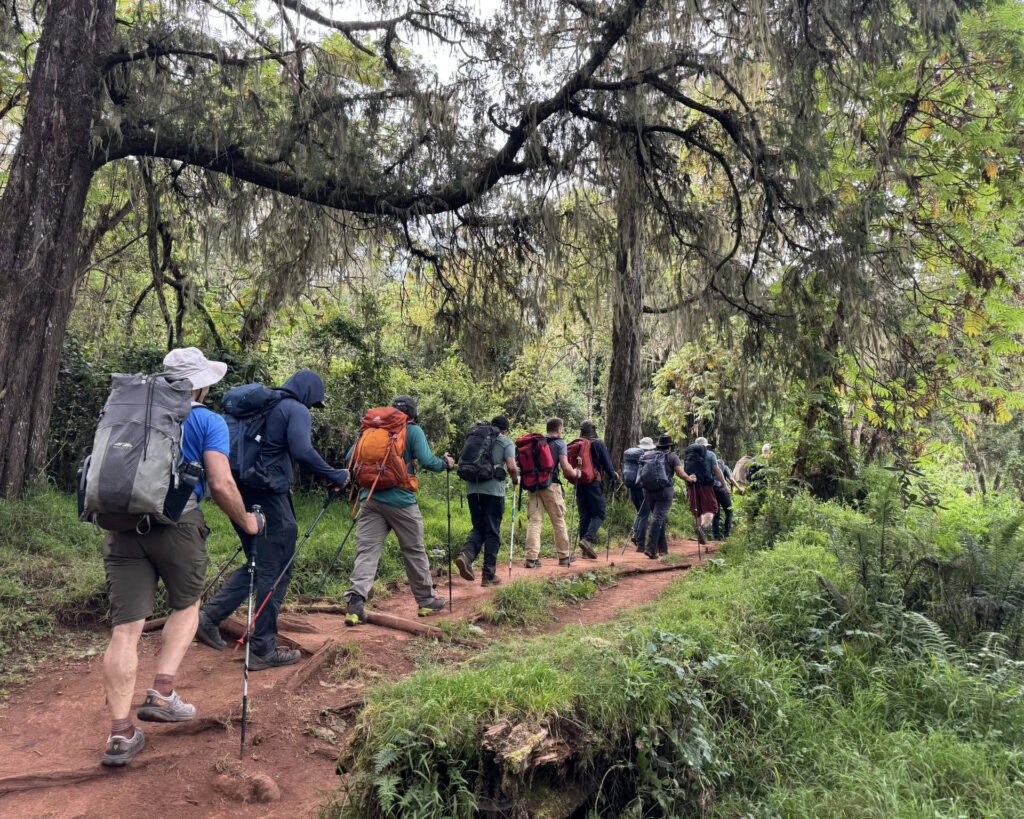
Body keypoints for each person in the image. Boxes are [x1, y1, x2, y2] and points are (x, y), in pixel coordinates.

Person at [100, 347, 265, 767]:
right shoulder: (206, 419)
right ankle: (163, 692)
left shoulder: (131, 413)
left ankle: (119, 734)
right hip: (178, 523)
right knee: (187, 605)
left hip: (122, 526)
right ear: (202, 384)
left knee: (125, 630)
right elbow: (221, 481)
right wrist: (247, 522)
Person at [198, 370, 350, 668]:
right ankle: (262, 648)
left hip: (239, 493)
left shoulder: (260, 408)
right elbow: (302, 450)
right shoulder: (295, 409)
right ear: (307, 394)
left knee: (258, 561)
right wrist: (335, 474)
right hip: (269, 496)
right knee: (277, 568)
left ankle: (209, 617)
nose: (311, 409)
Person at [343, 396, 454, 624]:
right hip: (402, 501)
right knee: (413, 550)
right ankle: (426, 602)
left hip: (370, 498)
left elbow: (349, 458)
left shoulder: (373, 430)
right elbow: (427, 461)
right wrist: (446, 464)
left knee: (367, 552)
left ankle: (355, 604)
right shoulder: (412, 431)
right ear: (412, 414)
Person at [455, 416, 519, 587]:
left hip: (472, 489)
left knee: (479, 527)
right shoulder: (505, 441)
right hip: (493, 492)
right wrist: (515, 480)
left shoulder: (479, 438)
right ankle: (488, 576)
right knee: (492, 531)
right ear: (505, 430)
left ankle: (466, 555)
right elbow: (512, 466)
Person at [523, 417, 579, 568]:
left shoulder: (537, 442)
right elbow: (566, 468)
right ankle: (564, 556)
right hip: (551, 486)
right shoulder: (560, 443)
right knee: (558, 521)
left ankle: (531, 559)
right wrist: (576, 474)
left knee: (534, 522)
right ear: (559, 428)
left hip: (534, 486)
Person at [640, 434, 696, 558]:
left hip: (648, 491)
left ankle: (663, 550)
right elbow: (681, 474)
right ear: (669, 446)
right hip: (664, 492)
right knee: (658, 517)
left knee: (659, 517)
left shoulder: (649, 455)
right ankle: (650, 548)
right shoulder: (672, 456)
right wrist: (690, 479)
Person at [572, 421, 620, 557]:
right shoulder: (598, 443)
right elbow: (607, 463)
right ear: (593, 429)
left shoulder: (578, 444)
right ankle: (587, 539)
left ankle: (584, 550)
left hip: (579, 482)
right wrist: (613, 475)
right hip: (593, 482)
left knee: (585, 515)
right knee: (599, 513)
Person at [687, 436, 729, 544]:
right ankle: (703, 528)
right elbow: (717, 470)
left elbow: (686, 471)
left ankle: (699, 530)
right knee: (711, 509)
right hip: (706, 486)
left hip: (691, 485)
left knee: (696, 510)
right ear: (705, 446)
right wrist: (725, 485)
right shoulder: (710, 455)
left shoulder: (689, 455)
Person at [627, 437, 656, 552]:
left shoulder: (632, 456)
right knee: (644, 515)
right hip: (643, 489)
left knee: (640, 513)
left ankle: (635, 534)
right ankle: (641, 544)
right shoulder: (648, 456)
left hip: (632, 488)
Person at [712, 456, 744, 540]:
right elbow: (730, 478)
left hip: (712, 491)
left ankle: (716, 536)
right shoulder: (724, 467)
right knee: (729, 511)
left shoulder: (712, 466)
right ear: (723, 463)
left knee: (716, 514)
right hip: (722, 490)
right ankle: (727, 534)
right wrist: (739, 488)